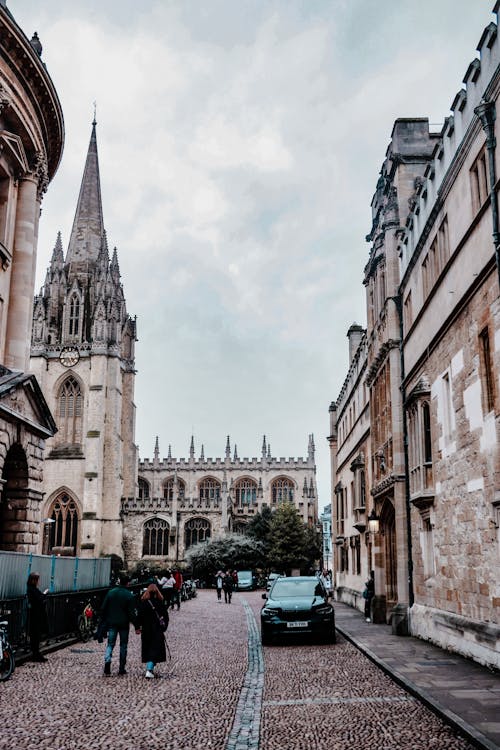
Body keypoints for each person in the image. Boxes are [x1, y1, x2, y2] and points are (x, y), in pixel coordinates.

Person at [100, 573, 138, 675]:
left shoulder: (111, 593)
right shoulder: (129, 595)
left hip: (112, 622)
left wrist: (104, 621)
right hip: (124, 624)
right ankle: (121, 668)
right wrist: (137, 626)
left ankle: (107, 663)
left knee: (110, 644)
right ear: (128, 583)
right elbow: (132, 614)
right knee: (123, 646)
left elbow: (103, 608)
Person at [136, 583, 169, 679]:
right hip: (157, 629)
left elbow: (139, 617)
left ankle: (150, 668)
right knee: (155, 649)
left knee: (149, 648)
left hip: (146, 630)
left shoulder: (144, 603)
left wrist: (137, 627)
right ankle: (149, 669)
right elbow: (166, 617)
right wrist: (164, 627)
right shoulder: (160, 602)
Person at [26, 572, 49, 662]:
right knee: (35, 636)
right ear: (33, 580)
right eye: (37, 579)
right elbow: (38, 599)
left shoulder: (33, 589)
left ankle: (36, 654)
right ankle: (36, 655)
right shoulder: (31, 589)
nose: (38, 581)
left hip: (36, 615)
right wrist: (44, 594)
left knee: (36, 636)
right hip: (35, 616)